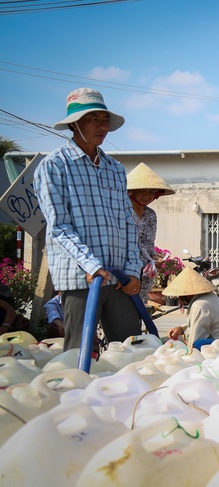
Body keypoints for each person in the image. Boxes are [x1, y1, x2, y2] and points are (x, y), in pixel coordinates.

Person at [34, 88, 143, 351]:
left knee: (131, 350)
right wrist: (92, 266)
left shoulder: (115, 169)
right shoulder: (54, 166)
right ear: (74, 124)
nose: (103, 126)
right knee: (80, 353)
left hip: (118, 278)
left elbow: (128, 223)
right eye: (94, 119)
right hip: (79, 277)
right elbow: (59, 226)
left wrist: (132, 269)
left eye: (105, 120)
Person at [126, 162, 175, 304]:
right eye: (143, 191)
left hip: (145, 272)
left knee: (139, 308)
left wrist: (155, 258)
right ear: (131, 192)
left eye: (151, 192)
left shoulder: (150, 215)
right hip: (127, 270)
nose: (147, 196)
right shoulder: (123, 212)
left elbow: (149, 244)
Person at [164, 267, 219, 350]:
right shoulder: (209, 297)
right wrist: (182, 329)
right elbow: (201, 323)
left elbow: (195, 340)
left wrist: (187, 347)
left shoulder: (199, 305)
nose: (180, 298)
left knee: (197, 344)